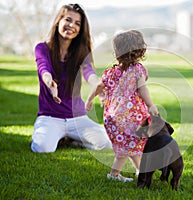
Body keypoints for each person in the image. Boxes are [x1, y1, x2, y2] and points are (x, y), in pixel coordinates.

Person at [31, 4, 112, 153]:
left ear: (81, 29)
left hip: (77, 117)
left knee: (104, 144)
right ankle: (54, 135)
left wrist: (97, 85)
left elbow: (89, 72)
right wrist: (50, 83)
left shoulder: (82, 51)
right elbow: (44, 68)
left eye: (77, 23)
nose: (71, 25)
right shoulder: (42, 48)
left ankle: (71, 139)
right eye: (68, 20)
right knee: (42, 148)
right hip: (50, 116)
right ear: (58, 21)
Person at [85, 30, 159, 182]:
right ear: (139, 51)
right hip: (132, 117)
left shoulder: (110, 72)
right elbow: (143, 89)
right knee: (127, 149)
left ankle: (140, 171)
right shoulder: (138, 70)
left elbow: (99, 86)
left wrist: (89, 99)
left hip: (112, 119)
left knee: (129, 147)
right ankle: (113, 175)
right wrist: (151, 105)